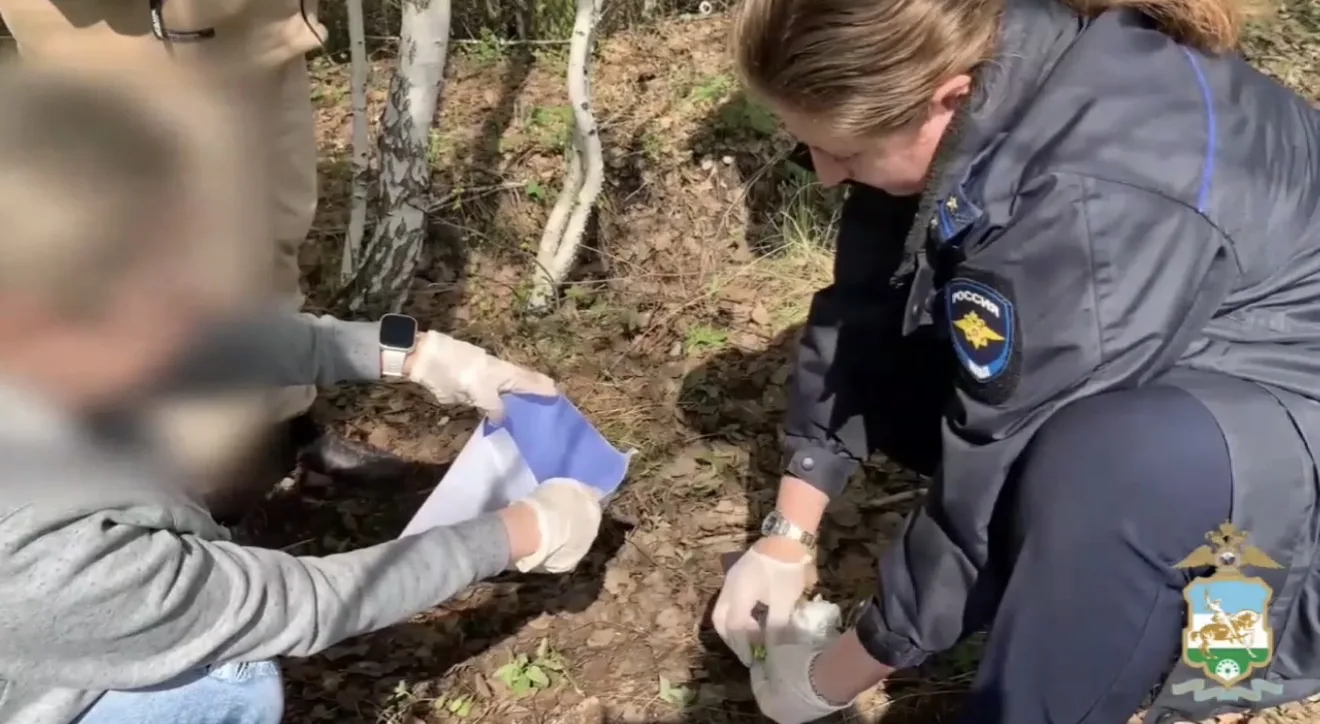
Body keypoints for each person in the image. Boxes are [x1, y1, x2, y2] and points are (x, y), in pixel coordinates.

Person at [710, 0, 1320, 722]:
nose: (822, 175)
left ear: (947, 100)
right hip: (1176, 341)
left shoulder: (1096, 193)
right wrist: (788, 534)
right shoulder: (966, 80)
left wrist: (834, 674)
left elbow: (998, 462)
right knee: (930, 362)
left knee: (1112, 472)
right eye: (809, 145)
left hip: (1287, 417)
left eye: (842, 154)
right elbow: (864, 310)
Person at [0, 63, 603, 724]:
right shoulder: (51, 557)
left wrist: (421, 352)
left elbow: (228, 343)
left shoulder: (55, 339)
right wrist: (519, 532)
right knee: (232, 680)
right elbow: (306, 603)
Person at [0, 0, 362, 517]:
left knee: (273, 238)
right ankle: (193, 492)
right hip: (122, 52)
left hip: (262, 34)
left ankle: (285, 430)